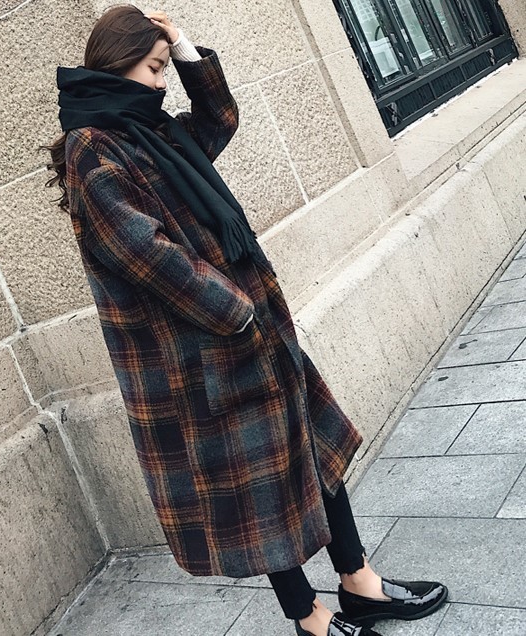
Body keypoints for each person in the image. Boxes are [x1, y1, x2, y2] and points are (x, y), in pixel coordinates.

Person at [43, 5, 448, 635]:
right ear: (117, 65)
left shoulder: (149, 131)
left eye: (163, 70)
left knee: (313, 451)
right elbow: (144, 252)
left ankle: (360, 585)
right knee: (262, 489)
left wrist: (182, 47)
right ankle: (310, 619)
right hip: (206, 351)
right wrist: (235, 314)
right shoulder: (93, 149)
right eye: (154, 69)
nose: (161, 83)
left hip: (250, 333)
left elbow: (219, 119)